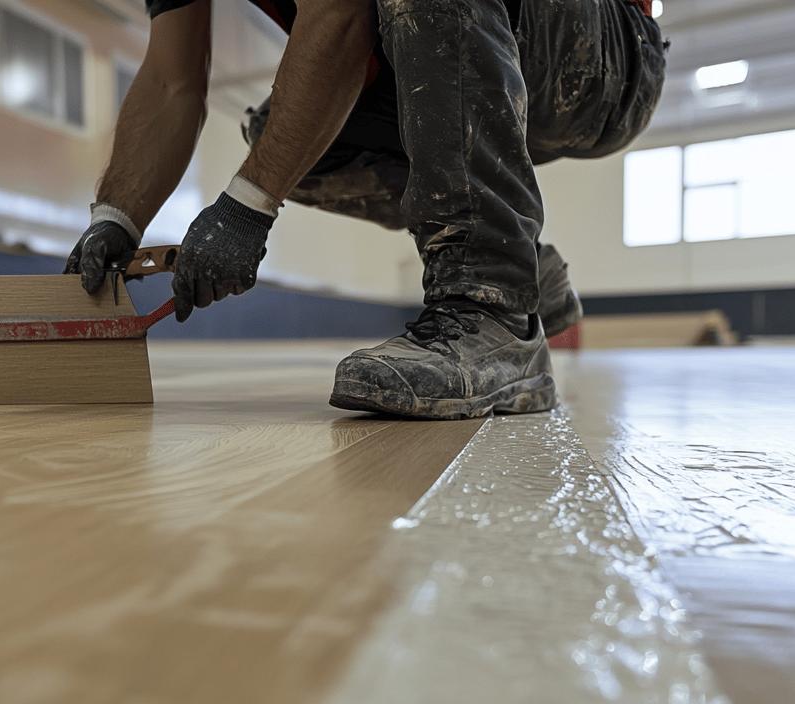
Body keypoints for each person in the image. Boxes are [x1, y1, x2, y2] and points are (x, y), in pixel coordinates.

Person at [64, 0, 666, 419]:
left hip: (602, 54)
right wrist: (115, 217)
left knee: (277, 157)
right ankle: (516, 263)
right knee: (287, 139)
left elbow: (339, 18)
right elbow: (172, 82)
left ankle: (493, 312)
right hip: (467, 34)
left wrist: (246, 206)